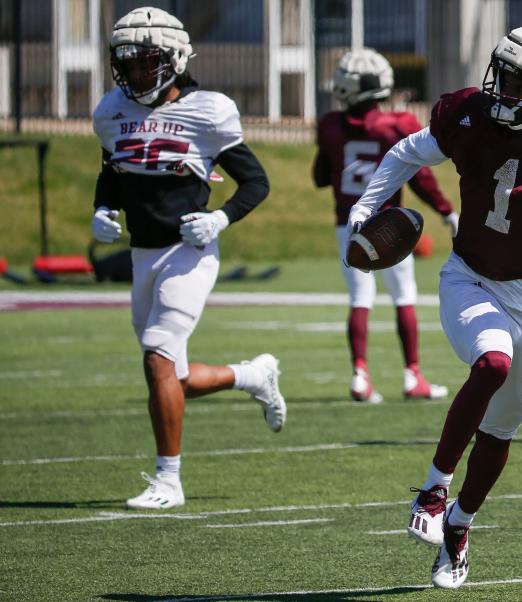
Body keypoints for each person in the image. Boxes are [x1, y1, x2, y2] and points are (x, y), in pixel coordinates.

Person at [350, 23, 522, 589]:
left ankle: (459, 526)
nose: (499, 89)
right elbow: (406, 153)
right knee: (492, 363)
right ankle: (432, 488)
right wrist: (366, 207)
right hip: (469, 278)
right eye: (501, 74)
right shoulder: (469, 113)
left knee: (500, 432)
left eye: (520, 83)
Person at [91, 6, 286, 510]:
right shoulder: (111, 111)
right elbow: (113, 170)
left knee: (156, 352)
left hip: (189, 253)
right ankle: (252, 376)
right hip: (142, 254)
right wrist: (103, 207)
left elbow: (256, 182)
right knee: (170, 376)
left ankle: (168, 481)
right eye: (128, 64)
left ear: (176, 59)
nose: (136, 74)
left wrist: (220, 218)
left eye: (146, 62)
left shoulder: (209, 109)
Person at [313, 48, 456, 403]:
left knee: (360, 297)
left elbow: (319, 176)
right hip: (389, 225)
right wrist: (445, 211)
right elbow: (421, 178)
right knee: (403, 295)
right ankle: (412, 376)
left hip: (347, 224)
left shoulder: (330, 125)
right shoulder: (397, 125)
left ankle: (360, 375)